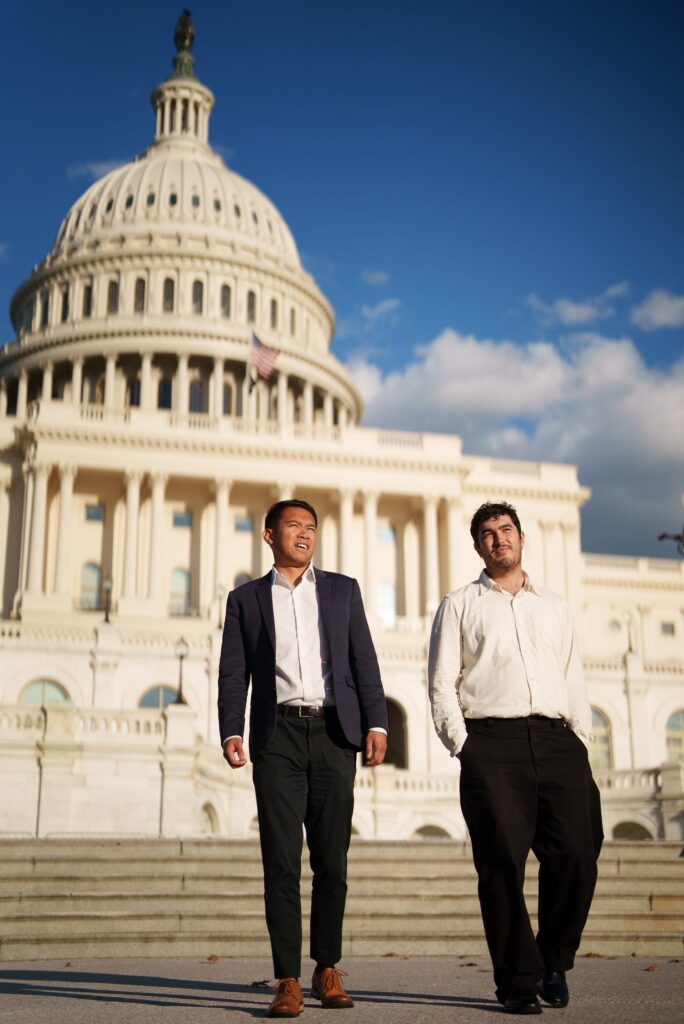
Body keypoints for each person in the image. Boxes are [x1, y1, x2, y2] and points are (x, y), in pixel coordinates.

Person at [428, 501, 603, 1016]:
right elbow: (442, 682)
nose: (498, 539)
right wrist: (464, 747)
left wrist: (582, 741)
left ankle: (554, 959)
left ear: (522, 538)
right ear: (478, 546)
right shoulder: (459, 604)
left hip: (558, 740)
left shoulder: (555, 605)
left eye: (505, 530)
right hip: (492, 743)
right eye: (487, 533)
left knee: (577, 853)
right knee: (501, 865)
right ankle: (517, 981)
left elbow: (574, 677)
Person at [218, 498, 388, 1018]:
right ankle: (288, 978)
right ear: (269, 535)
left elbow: (364, 658)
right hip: (278, 738)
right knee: (281, 863)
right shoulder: (246, 599)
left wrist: (376, 721)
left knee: (333, 861)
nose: (305, 534)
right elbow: (233, 671)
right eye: (294, 526)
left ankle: (327, 968)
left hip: (336, 733)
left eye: (311, 527)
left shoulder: (342, 590)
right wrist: (230, 729)